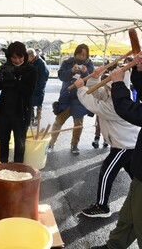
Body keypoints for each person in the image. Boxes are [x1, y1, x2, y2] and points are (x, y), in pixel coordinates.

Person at [90, 54, 142, 249]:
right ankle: (115, 245)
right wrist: (139, 71)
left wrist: (119, 83)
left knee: (140, 219)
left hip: (127, 145)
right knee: (128, 215)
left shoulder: (117, 92)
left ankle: (102, 206)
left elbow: (129, 110)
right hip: (139, 167)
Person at [74, 67, 139, 218]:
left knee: (106, 172)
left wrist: (81, 89)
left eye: (112, 82)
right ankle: (137, 198)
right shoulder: (114, 93)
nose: (108, 85)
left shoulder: (119, 104)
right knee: (135, 175)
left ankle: (102, 206)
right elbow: (97, 93)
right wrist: (95, 78)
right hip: (124, 142)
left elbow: (94, 104)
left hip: (125, 145)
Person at [0, 41, 37, 163]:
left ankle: (18, 169)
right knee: (2, 142)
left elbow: (29, 91)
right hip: (4, 113)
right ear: (9, 57)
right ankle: (2, 166)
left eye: (20, 57)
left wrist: (15, 81)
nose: (17, 60)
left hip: (21, 114)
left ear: (25, 56)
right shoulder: (5, 68)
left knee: (20, 144)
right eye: (14, 57)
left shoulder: (31, 70)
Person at [48, 44, 94, 155]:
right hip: (66, 96)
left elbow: (91, 81)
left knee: (78, 124)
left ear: (87, 55)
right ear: (75, 53)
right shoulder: (67, 62)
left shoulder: (89, 65)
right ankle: (51, 143)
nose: (82, 57)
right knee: (58, 122)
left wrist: (85, 72)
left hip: (79, 99)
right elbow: (61, 76)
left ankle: (74, 145)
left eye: (84, 54)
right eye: (79, 54)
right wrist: (72, 71)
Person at [27, 48, 49, 126]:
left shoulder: (41, 63)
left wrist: (39, 86)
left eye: (28, 57)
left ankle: (37, 119)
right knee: (30, 104)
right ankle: (31, 118)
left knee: (39, 105)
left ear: (32, 56)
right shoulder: (29, 62)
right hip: (31, 87)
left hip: (39, 87)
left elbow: (44, 76)